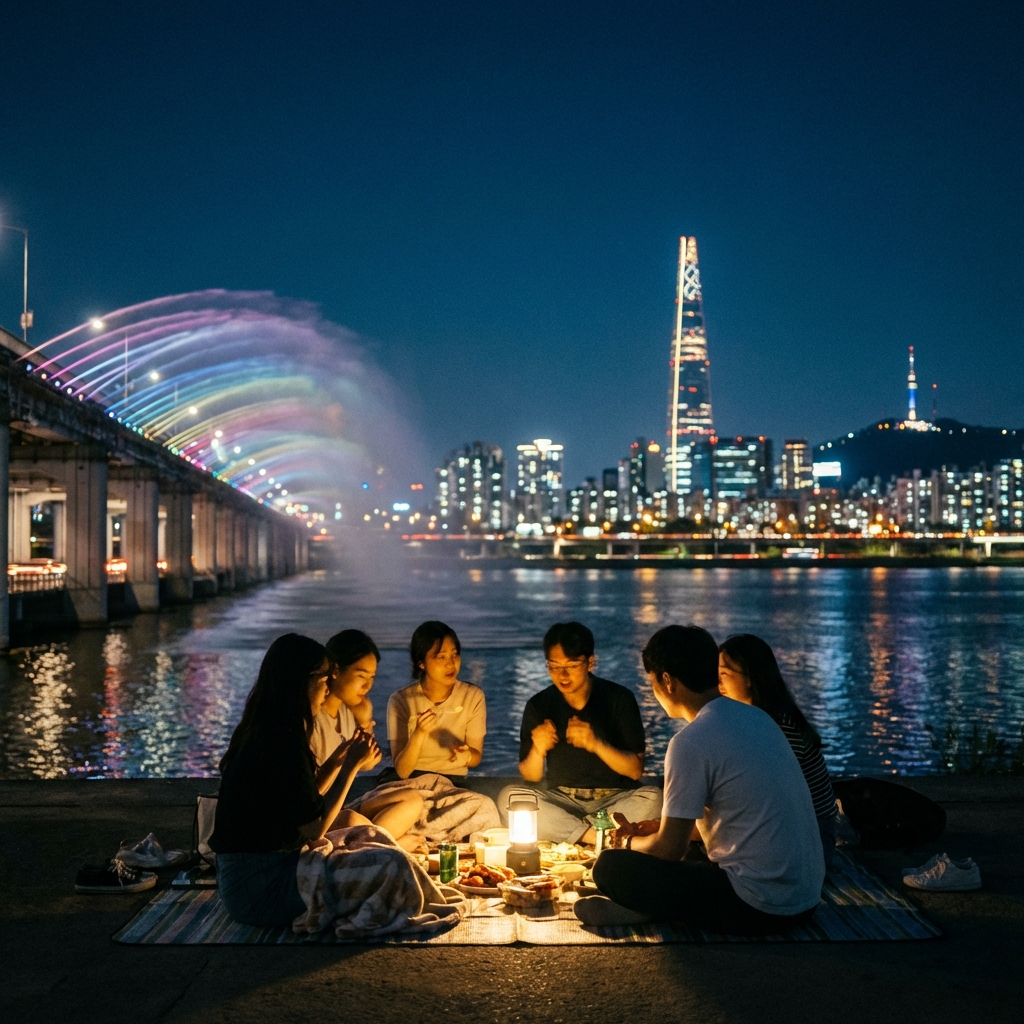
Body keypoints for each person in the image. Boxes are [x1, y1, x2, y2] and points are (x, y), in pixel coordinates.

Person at [577, 624, 825, 934]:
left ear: (667, 681)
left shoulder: (690, 742)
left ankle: (650, 911)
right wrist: (655, 828)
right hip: (806, 898)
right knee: (692, 853)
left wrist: (626, 843)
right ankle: (655, 908)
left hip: (758, 906)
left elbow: (669, 849)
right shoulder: (758, 717)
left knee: (610, 866)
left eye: (652, 681)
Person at [209, 633, 381, 926]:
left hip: (257, 876)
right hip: (261, 888)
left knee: (364, 837)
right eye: (325, 680)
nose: (328, 689)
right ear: (301, 682)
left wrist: (338, 758)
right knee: (382, 867)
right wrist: (351, 766)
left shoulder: (270, 727)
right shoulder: (280, 741)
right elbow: (314, 828)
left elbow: (302, 801)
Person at [504, 621, 662, 844]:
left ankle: (572, 832)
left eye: (572, 665)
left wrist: (595, 743)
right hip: (562, 798)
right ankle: (596, 835)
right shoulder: (539, 704)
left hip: (615, 798)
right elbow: (531, 776)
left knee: (654, 798)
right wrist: (538, 750)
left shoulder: (619, 698)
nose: (563, 675)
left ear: (590, 662)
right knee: (510, 797)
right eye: (554, 666)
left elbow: (635, 771)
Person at [718, 633, 840, 864]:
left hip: (811, 838)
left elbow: (767, 801)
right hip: (791, 830)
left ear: (750, 677)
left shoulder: (778, 728)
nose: (718, 684)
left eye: (724, 674)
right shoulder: (753, 719)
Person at [310, 629, 425, 851]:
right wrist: (350, 762)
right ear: (335, 671)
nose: (368, 685)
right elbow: (313, 794)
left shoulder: (348, 712)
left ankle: (377, 842)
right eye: (361, 676)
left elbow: (368, 764)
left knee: (412, 799)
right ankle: (392, 846)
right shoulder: (313, 719)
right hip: (320, 816)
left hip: (342, 805)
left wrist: (365, 729)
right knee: (352, 820)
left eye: (372, 677)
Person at [386, 621, 486, 781]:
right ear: (421, 663)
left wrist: (466, 756)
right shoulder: (401, 701)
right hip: (412, 783)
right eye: (441, 657)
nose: (451, 664)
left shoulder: (472, 696)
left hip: (454, 783)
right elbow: (402, 771)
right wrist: (419, 733)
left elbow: (476, 757)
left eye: (454, 655)